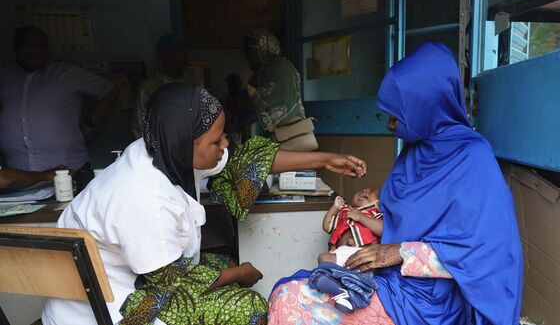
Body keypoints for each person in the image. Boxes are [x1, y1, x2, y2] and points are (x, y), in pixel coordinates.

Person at [41, 83, 366, 325]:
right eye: (216, 140)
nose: (225, 144)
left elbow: (244, 161)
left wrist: (325, 158)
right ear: (184, 142)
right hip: (113, 309)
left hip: (132, 279)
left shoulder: (161, 149)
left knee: (220, 261)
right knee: (248, 308)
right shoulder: (143, 199)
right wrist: (239, 272)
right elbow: (175, 285)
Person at [268, 43, 523, 325]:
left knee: (293, 311)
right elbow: (398, 222)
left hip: (431, 302)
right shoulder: (415, 152)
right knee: (283, 295)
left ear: (427, 107)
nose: (390, 125)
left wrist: (399, 252)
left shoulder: (473, 159)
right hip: (391, 281)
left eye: (397, 115)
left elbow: (489, 254)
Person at [0, 25, 119, 172]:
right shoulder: (5, 75)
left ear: (48, 49)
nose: (34, 50)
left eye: (40, 45)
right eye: (27, 45)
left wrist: (89, 125)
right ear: (16, 47)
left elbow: (110, 91)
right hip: (19, 174)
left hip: (69, 168)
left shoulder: (67, 73)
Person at [131, 34, 197, 138]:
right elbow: (139, 127)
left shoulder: (193, 85)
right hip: (158, 150)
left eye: (186, 53)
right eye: (180, 53)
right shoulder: (148, 88)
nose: (185, 58)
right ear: (166, 55)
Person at [244, 30, 306, 136]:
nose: (248, 58)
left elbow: (273, 99)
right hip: (276, 134)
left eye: (252, 52)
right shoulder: (263, 71)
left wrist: (254, 95)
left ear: (264, 49)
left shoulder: (280, 67)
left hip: (289, 131)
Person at [318, 188, 382, 266]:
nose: (364, 191)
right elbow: (327, 226)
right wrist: (335, 208)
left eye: (372, 191)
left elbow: (382, 230)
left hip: (363, 253)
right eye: (361, 191)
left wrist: (361, 217)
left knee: (364, 268)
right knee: (323, 257)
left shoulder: (375, 214)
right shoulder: (345, 212)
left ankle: (349, 277)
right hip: (340, 252)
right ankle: (327, 276)